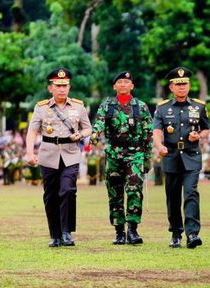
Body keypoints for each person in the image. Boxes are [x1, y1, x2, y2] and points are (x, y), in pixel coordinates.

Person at [25, 67, 92, 248]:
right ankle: (54, 234)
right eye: (58, 85)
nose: (62, 89)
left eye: (65, 85)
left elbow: (88, 128)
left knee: (68, 190)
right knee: (51, 195)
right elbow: (32, 131)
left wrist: (81, 135)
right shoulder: (41, 108)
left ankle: (66, 232)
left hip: (70, 154)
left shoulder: (78, 106)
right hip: (48, 154)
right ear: (50, 88)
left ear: (69, 87)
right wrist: (30, 153)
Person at [90, 71, 153, 245]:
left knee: (134, 190)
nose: (123, 84)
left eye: (126, 82)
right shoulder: (107, 106)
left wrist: (148, 158)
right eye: (120, 82)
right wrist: (94, 135)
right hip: (113, 154)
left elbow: (148, 133)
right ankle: (119, 231)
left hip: (136, 154)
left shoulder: (141, 106)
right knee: (115, 193)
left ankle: (132, 230)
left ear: (132, 85)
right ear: (114, 86)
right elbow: (99, 123)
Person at [153, 66, 210, 249]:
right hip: (171, 156)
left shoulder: (199, 106)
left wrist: (199, 136)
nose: (181, 87)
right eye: (177, 85)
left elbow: (206, 128)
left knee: (191, 192)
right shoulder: (162, 108)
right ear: (171, 87)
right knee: (173, 196)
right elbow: (157, 131)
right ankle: (176, 233)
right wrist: (159, 146)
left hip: (191, 155)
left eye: (184, 84)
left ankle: (192, 233)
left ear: (189, 85)